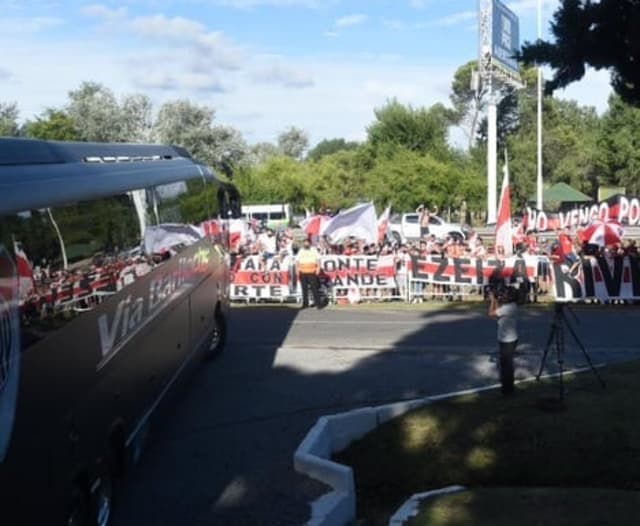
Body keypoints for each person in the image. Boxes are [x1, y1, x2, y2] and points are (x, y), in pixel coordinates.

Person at [488, 283, 519, 395]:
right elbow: (496, 314)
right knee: (506, 363)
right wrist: (495, 299)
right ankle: (507, 386)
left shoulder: (507, 308)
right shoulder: (512, 306)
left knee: (507, 365)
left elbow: (491, 314)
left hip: (508, 340)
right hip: (508, 339)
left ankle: (508, 389)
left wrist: (492, 300)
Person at [295, 237, 323, 309]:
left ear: (310, 243)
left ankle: (318, 304)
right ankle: (305, 304)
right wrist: (297, 270)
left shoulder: (314, 250)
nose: (306, 244)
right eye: (305, 243)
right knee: (304, 289)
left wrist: (318, 268)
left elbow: (318, 259)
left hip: (312, 272)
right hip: (303, 272)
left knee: (314, 288)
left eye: (307, 242)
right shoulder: (301, 250)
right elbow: (297, 261)